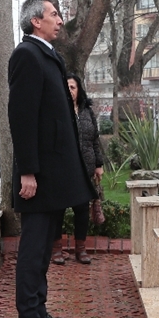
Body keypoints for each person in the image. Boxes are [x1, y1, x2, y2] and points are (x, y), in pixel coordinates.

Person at [8, 0, 96, 318]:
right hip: (39, 176)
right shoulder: (26, 55)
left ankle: (39, 311)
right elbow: (22, 117)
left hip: (56, 174)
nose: (60, 20)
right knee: (33, 248)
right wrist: (28, 172)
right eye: (53, 14)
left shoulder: (48, 54)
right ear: (35, 22)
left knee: (45, 247)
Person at [52, 74, 103, 265]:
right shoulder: (56, 111)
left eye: (73, 87)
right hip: (62, 170)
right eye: (66, 87)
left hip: (85, 170)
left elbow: (95, 140)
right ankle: (57, 249)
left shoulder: (87, 112)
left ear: (79, 90)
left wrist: (98, 165)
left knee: (82, 210)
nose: (70, 91)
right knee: (58, 210)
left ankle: (80, 250)